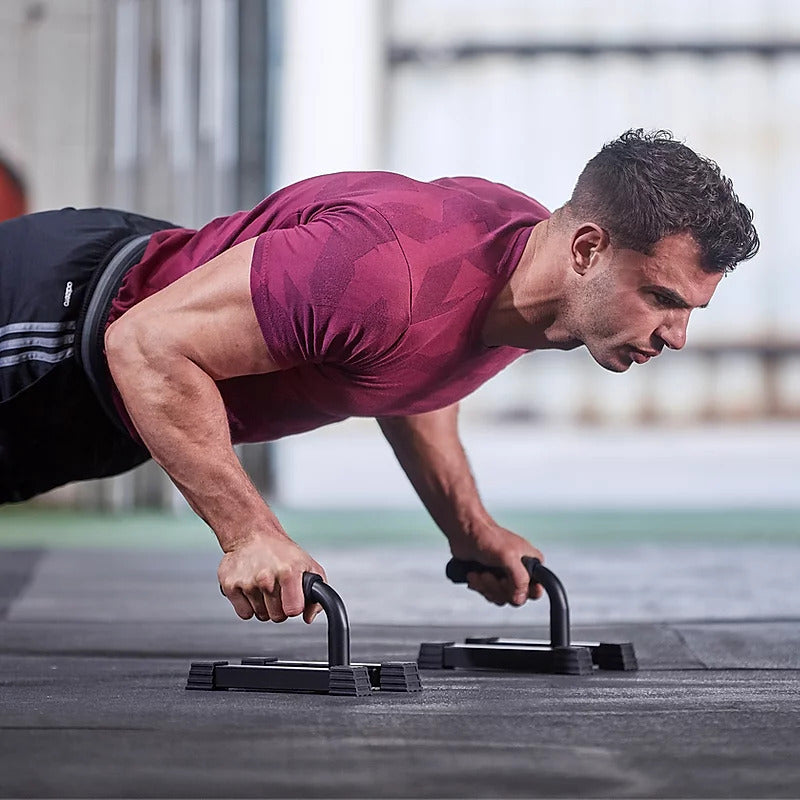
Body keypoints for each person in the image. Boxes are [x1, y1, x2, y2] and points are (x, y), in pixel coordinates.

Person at [0, 129, 759, 624]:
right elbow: (147, 343)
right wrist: (249, 533)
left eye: (691, 310)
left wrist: (469, 529)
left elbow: (418, 364)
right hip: (58, 322)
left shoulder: (537, 286)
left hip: (115, 403)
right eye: (662, 299)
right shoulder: (383, 270)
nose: (677, 336)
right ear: (588, 250)